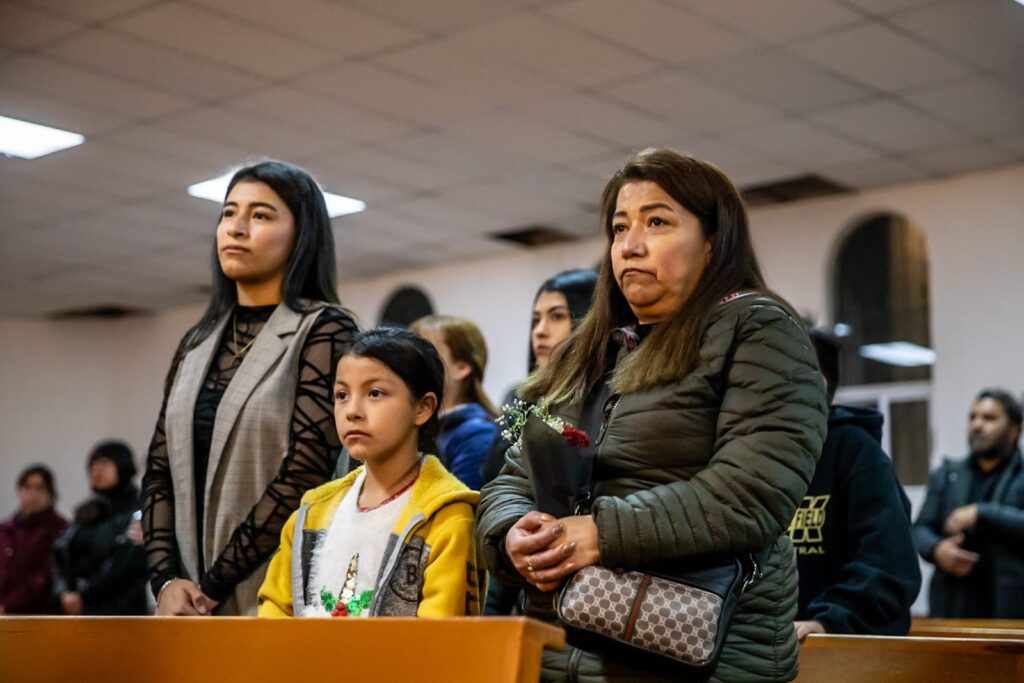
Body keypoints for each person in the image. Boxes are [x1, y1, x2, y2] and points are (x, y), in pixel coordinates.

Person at [478, 148, 826, 682]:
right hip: (560, 648)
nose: (630, 245)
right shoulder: (583, 353)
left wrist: (600, 533)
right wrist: (512, 535)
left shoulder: (759, 329)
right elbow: (513, 474)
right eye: (620, 228)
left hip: (699, 654)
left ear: (713, 241)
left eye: (657, 222)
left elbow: (751, 493)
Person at [141, 160, 358, 617]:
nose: (236, 228)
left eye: (260, 215)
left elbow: (306, 474)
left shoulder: (324, 330)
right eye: (228, 213)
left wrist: (212, 584)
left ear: (302, 234)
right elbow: (160, 470)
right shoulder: (197, 341)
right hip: (179, 604)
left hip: (271, 593)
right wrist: (166, 581)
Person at [257, 327, 482, 618]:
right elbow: (273, 615)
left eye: (375, 393)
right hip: (306, 664)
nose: (352, 410)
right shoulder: (312, 512)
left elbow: (440, 642)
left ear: (423, 407)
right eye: (341, 394)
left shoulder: (447, 518)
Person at [792, 330, 920, 640]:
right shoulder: (754, 456)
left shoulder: (856, 451)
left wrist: (829, 621)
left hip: (839, 649)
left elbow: (888, 568)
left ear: (817, 385)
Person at [482, 268, 597, 615]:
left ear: (589, 318)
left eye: (557, 316)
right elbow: (497, 483)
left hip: (579, 576)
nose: (541, 331)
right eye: (536, 319)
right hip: (513, 558)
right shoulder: (520, 396)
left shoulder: (600, 399)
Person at [912, 388, 1024, 618]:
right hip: (951, 607)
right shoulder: (947, 474)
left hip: (1010, 613)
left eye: (989, 418)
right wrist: (937, 549)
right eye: (972, 417)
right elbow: (920, 528)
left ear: (1014, 430)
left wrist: (982, 512)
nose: (977, 425)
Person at [52, 441, 148, 615]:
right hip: (77, 609)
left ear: (122, 466)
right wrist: (65, 592)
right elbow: (61, 553)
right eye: (93, 464)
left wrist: (86, 596)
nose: (96, 470)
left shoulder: (139, 512)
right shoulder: (86, 512)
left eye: (104, 463)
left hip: (121, 610)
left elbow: (127, 565)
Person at [410, 315, 498, 491]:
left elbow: (464, 506)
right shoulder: (418, 426)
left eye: (426, 354)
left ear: (461, 367)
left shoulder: (477, 433)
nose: (412, 363)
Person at [0, 465, 67, 614]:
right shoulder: (6, 529)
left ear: (50, 493)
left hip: (39, 615)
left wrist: (9, 606)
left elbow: (45, 576)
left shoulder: (60, 530)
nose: (32, 494)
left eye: (39, 488)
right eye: (27, 487)